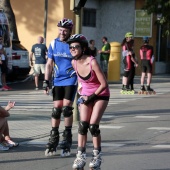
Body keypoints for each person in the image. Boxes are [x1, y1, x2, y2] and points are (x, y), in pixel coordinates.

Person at [67, 34, 110, 170]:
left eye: (76, 46)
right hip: (86, 95)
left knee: (93, 126)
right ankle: (80, 157)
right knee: (83, 125)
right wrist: (81, 93)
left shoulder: (92, 62)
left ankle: (97, 157)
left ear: (83, 48)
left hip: (100, 94)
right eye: (71, 47)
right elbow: (80, 80)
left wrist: (90, 97)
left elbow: (104, 84)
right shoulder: (74, 62)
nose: (73, 49)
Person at [43, 18, 77, 157]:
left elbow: (80, 61)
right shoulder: (53, 43)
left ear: (70, 31)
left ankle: (67, 137)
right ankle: (54, 136)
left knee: (67, 107)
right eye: (60, 30)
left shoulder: (73, 45)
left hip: (71, 78)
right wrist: (46, 81)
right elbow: (49, 64)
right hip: (57, 79)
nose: (62, 33)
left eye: (65, 31)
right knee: (56, 109)